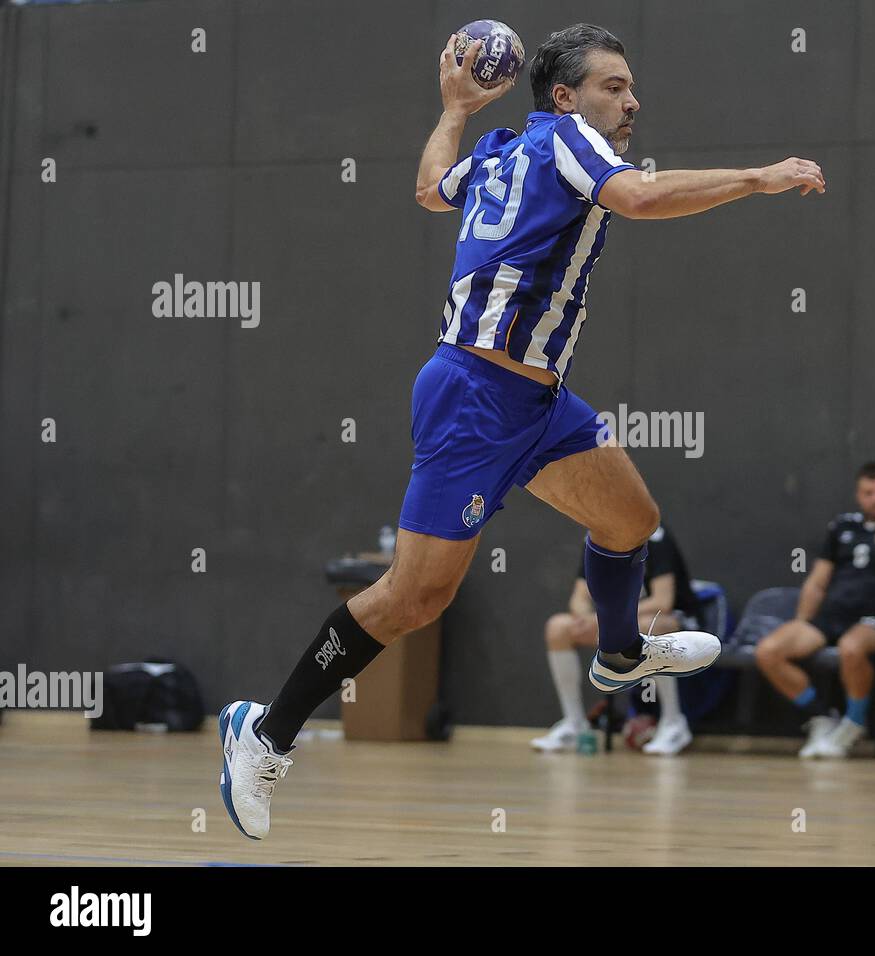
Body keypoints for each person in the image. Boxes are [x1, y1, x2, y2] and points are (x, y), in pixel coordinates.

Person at [217, 22, 825, 839]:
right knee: (413, 598)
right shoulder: (567, 139)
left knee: (630, 521)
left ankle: (618, 653)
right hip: (474, 395)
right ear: (567, 97)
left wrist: (454, 108)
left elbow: (433, 186)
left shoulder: (502, 154)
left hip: (538, 402)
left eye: (632, 86)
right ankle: (264, 731)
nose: (632, 99)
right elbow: (640, 199)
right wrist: (760, 175)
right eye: (616, 86)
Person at [755, 463, 875, 759]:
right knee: (768, 651)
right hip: (831, 615)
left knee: (851, 648)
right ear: (858, 495)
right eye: (869, 493)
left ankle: (853, 723)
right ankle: (822, 718)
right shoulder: (842, 527)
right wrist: (803, 622)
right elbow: (816, 582)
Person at [532, 523, 703, 755]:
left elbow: (663, 601)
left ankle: (673, 723)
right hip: (618, 620)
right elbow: (579, 598)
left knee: (646, 627)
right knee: (558, 628)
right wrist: (590, 618)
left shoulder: (654, 535)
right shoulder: (596, 536)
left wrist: (606, 618)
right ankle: (574, 724)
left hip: (674, 620)